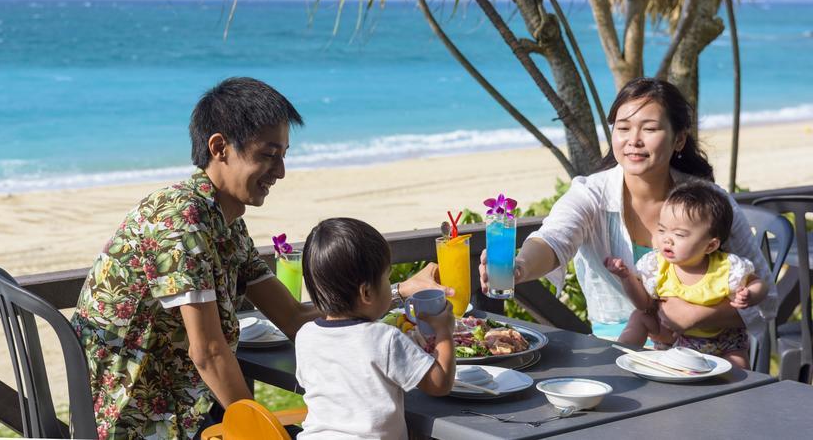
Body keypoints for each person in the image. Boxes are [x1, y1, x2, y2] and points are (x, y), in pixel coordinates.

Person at [71, 77, 450, 440]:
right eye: (269, 155)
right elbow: (208, 352)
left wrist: (399, 290)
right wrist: (260, 433)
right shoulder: (179, 222)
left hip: (185, 402)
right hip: (139, 420)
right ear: (219, 148)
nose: (281, 172)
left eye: (284, 156)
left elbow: (294, 318)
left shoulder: (224, 224)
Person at [479, 77, 776, 347]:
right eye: (622, 128)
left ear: (679, 139)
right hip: (618, 349)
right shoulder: (591, 193)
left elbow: (767, 302)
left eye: (649, 129)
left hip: (704, 356)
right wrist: (518, 267)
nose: (633, 140)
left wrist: (698, 317)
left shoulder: (711, 202)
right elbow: (553, 239)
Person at [294, 218, 457, 439]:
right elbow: (439, 384)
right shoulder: (384, 339)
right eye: (386, 277)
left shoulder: (305, 337)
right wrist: (444, 332)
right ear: (367, 293)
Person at [604, 182, 767, 367]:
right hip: (672, 338)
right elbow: (644, 304)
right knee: (640, 316)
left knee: (738, 366)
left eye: (679, 234)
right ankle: (620, 355)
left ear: (710, 245)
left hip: (721, 341)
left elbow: (759, 283)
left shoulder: (726, 267)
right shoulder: (657, 266)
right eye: (661, 230)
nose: (667, 239)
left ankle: (739, 390)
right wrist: (626, 277)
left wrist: (751, 294)